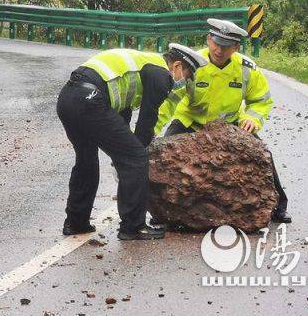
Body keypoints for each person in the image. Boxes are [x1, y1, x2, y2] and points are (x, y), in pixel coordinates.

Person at [57, 44, 208, 240]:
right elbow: (147, 121)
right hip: (90, 100)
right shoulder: (162, 75)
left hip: (69, 98)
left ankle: (76, 223)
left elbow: (122, 113)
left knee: (86, 160)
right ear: (177, 66)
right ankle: (133, 227)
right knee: (136, 158)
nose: (184, 81)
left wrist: (121, 153)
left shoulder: (142, 63)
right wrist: (131, 159)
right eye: (186, 75)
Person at [156, 19, 292, 223]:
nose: (219, 50)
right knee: (163, 156)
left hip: (231, 125)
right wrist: (152, 129)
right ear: (208, 39)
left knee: (262, 154)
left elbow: (261, 100)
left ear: (236, 47)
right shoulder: (192, 63)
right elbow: (170, 100)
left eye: (226, 46)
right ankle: (161, 213)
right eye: (216, 43)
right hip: (190, 121)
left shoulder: (247, 69)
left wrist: (251, 119)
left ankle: (279, 206)